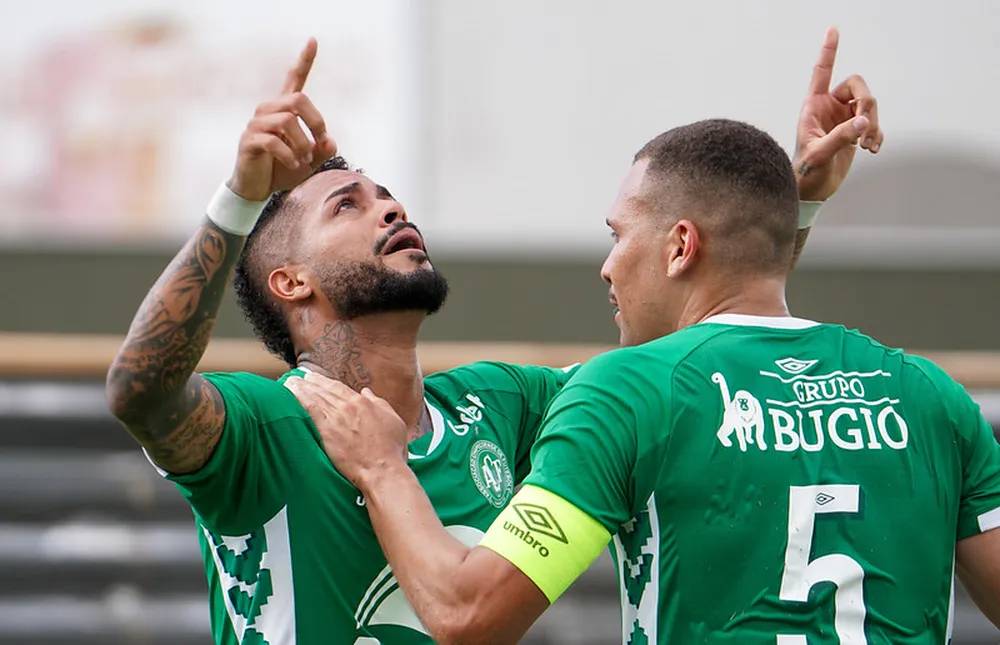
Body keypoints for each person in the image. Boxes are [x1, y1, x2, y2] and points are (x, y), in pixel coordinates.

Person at [107, 28, 878, 644]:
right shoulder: (265, 426)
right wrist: (241, 198)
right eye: (348, 205)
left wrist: (785, 212)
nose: (388, 208)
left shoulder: (496, 403)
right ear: (290, 281)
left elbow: (688, 366)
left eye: (388, 195)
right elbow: (140, 388)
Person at [287, 31, 998, 645]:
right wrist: (792, 206)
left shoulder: (627, 394)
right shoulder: (932, 396)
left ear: (681, 245)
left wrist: (382, 467)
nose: (606, 264)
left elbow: (469, 613)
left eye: (618, 234)